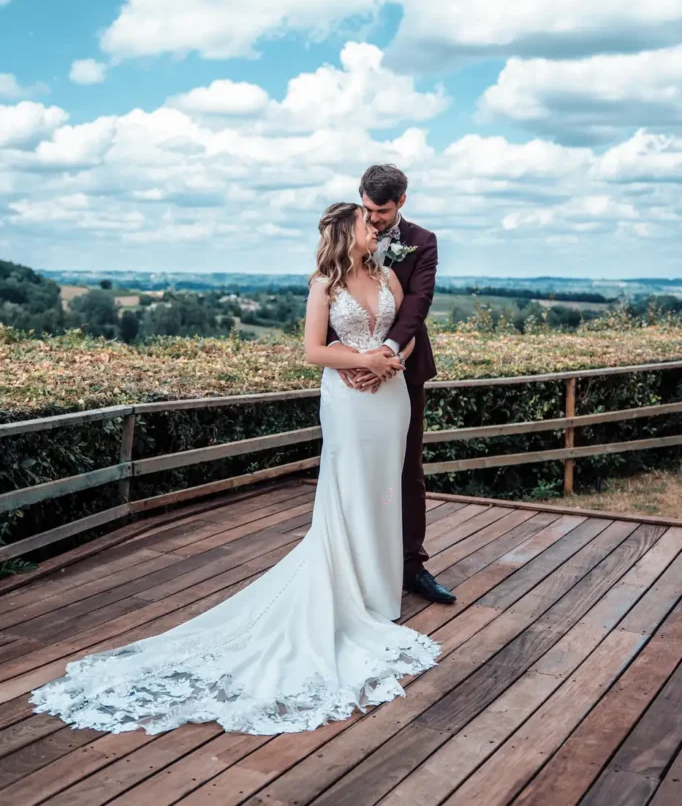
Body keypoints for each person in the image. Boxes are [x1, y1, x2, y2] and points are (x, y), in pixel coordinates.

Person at [30, 202, 440, 738]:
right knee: (350, 490)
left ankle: (379, 589)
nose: (376, 227)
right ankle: (349, 589)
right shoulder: (323, 284)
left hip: (390, 397)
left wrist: (390, 360)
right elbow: (314, 351)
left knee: (385, 490)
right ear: (348, 233)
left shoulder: (387, 274)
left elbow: (408, 326)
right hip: (348, 400)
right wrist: (360, 363)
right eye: (367, 222)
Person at [328, 164, 455, 606]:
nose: (374, 218)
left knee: (407, 470)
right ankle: (355, 564)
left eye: (381, 210)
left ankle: (411, 567)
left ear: (401, 201)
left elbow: (417, 306)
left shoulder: (423, 242)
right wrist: (347, 356)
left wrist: (387, 354)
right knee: (353, 469)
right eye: (367, 208)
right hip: (349, 375)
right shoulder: (347, 231)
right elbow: (328, 302)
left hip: (403, 368)